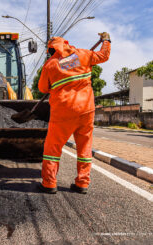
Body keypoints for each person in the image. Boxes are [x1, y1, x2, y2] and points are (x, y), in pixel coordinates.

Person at [38, 32, 111, 194]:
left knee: (53, 148)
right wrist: (106, 40)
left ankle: (49, 183)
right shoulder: (83, 54)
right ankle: (82, 183)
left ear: (51, 49)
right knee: (85, 147)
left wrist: (55, 82)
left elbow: (42, 88)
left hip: (63, 112)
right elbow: (104, 55)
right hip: (86, 110)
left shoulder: (50, 65)